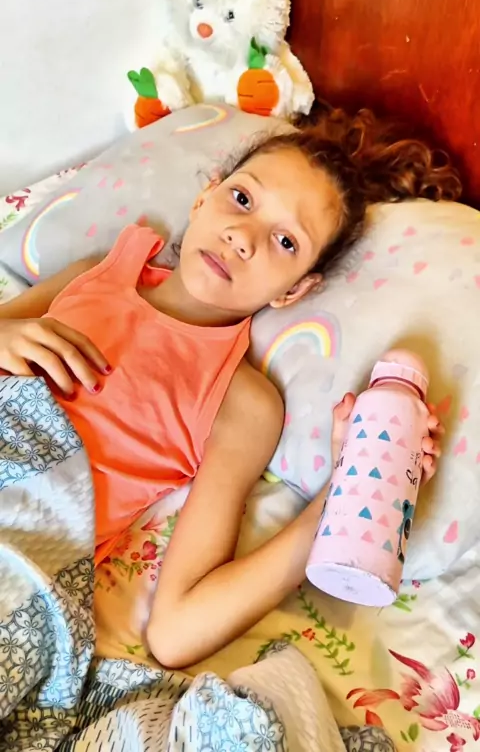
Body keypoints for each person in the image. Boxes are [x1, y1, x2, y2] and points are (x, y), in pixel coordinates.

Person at [0, 109, 459, 669]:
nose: (243, 238)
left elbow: (176, 633)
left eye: (285, 241)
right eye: (242, 199)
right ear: (203, 199)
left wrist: (345, 491)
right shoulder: (95, 273)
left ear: (295, 291)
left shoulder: (241, 404)